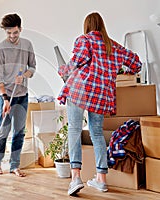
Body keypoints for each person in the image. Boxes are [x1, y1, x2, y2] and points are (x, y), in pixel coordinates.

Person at [57, 12, 142, 195]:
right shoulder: (114, 46)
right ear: (102, 25)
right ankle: (101, 180)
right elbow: (136, 64)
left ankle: (75, 178)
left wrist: (62, 70)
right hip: (100, 96)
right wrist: (125, 69)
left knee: (74, 129)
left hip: (79, 91)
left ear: (87, 26)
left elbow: (76, 62)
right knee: (96, 133)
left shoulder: (85, 40)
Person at [0, 13, 36, 177]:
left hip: (22, 94)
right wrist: (4, 98)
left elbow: (32, 68)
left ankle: (14, 165)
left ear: (20, 29)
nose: (12, 36)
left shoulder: (27, 45)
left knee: (19, 131)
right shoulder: (0, 48)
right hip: (5, 95)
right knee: (3, 131)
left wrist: (24, 75)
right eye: (9, 33)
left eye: (15, 32)